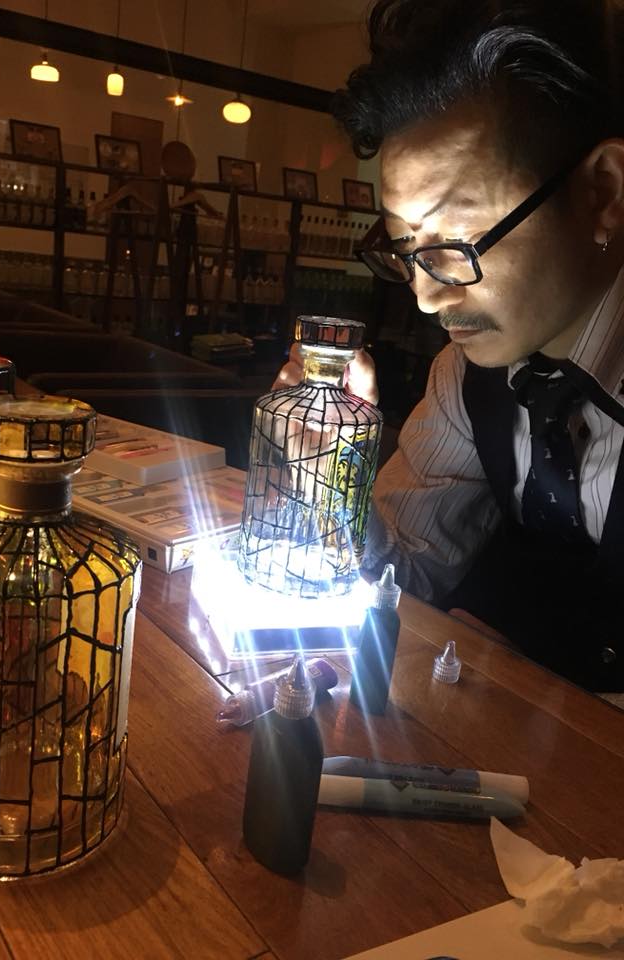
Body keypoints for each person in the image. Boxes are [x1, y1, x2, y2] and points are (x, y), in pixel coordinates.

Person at [275, 0, 624, 693]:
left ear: (603, 192)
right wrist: (331, 473)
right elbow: (405, 572)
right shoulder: (466, 378)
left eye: (457, 242)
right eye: (404, 247)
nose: (426, 297)